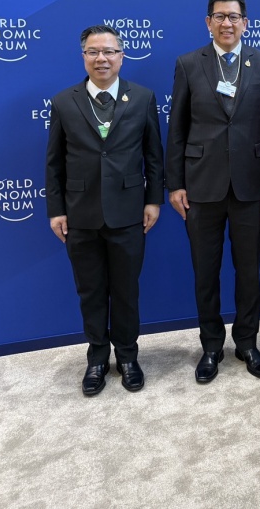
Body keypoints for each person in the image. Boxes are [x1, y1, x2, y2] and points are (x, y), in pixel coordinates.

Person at [165, 0, 260, 383]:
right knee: (206, 272)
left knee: (249, 271)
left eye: (234, 17)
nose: (227, 23)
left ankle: (247, 343)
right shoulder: (188, 64)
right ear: (208, 22)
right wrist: (175, 183)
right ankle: (211, 346)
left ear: (245, 23)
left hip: (252, 185)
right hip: (201, 186)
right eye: (219, 16)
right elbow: (177, 128)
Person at [46, 25, 164, 396]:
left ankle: (127, 356)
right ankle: (97, 357)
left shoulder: (142, 97)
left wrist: (153, 200)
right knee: (91, 291)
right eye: (93, 52)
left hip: (129, 212)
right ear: (83, 56)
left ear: (121, 56)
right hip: (79, 214)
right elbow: (54, 163)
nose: (102, 58)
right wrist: (56, 210)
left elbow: (153, 156)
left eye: (109, 51)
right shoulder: (64, 101)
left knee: (126, 291)